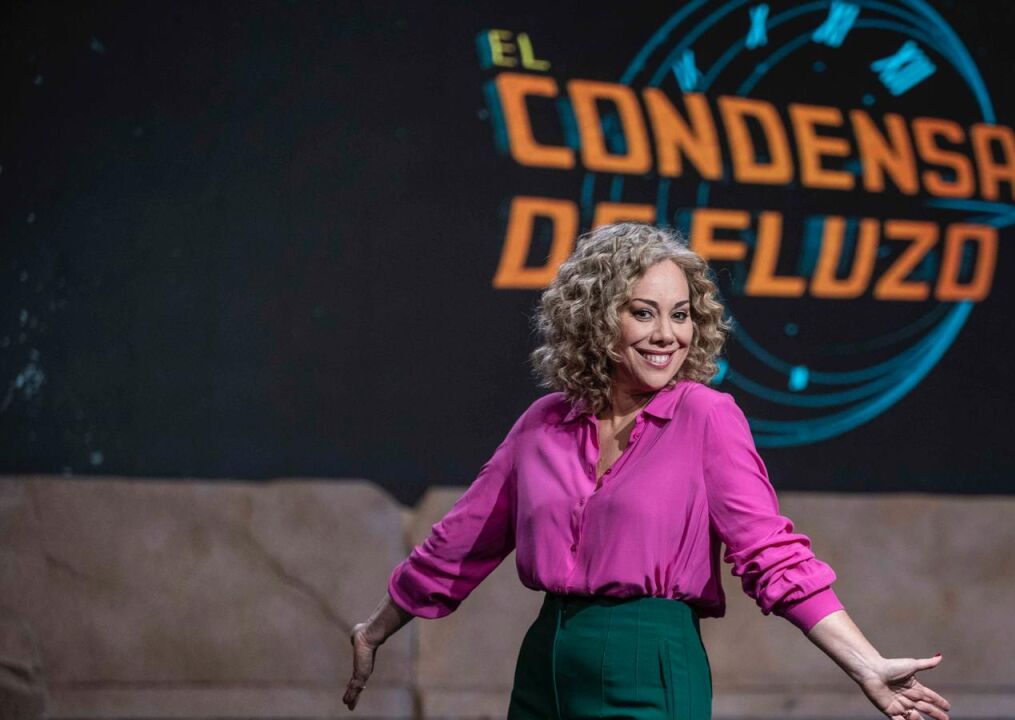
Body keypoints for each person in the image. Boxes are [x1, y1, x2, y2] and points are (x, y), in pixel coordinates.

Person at [342, 223, 951, 720]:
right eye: (643, 313)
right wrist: (376, 629)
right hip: (546, 667)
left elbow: (772, 554)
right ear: (596, 320)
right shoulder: (544, 423)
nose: (667, 335)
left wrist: (865, 664)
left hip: (650, 662)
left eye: (681, 315)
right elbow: (459, 542)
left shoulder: (706, 417)